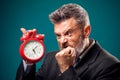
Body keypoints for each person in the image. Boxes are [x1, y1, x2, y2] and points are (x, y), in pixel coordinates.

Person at [16, 3, 120, 80]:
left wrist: (66, 68)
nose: (62, 41)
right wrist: (28, 59)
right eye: (58, 35)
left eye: (69, 33)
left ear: (86, 31)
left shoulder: (110, 66)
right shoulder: (50, 59)